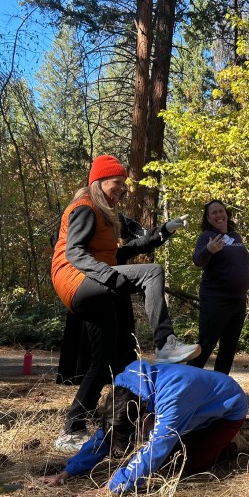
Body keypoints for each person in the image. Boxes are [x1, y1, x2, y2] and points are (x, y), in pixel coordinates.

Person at [51, 155, 200, 451]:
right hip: (75, 279)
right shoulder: (85, 208)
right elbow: (75, 253)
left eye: (123, 184)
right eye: (117, 183)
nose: (122, 189)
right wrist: (109, 276)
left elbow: (121, 255)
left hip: (92, 283)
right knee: (153, 271)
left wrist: (164, 232)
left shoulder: (107, 217)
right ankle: (165, 343)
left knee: (105, 359)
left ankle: (74, 427)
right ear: (99, 182)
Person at [41, 359, 249, 497]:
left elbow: (156, 447)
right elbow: (106, 434)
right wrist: (68, 472)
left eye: (136, 435)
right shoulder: (125, 389)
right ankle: (190, 436)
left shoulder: (172, 398)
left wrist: (110, 489)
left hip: (227, 409)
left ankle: (234, 442)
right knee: (167, 460)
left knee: (192, 465)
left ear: (142, 419)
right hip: (191, 407)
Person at [54, 212, 189, 386]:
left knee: (112, 351)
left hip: (114, 281)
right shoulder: (81, 213)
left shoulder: (117, 218)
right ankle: (76, 382)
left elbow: (141, 238)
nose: (121, 189)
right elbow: (66, 247)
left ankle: (111, 388)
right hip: (85, 284)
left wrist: (165, 230)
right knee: (88, 349)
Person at [187, 200, 249, 374]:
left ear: (226, 214)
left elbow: (246, 264)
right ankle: (185, 386)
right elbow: (198, 261)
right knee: (206, 345)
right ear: (208, 219)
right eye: (214, 213)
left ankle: (219, 391)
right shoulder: (207, 237)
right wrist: (209, 249)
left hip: (238, 302)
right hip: (215, 300)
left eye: (221, 211)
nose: (219, 215)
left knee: (228, 348)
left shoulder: (235, 237)